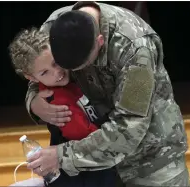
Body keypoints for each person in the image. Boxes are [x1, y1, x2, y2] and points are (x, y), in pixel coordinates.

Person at [26, 2, 190, 187]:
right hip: (95, 167)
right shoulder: (53, 28)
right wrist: (33, 101)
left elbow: (130, 126)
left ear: (100, 41)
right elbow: (35, 71)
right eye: (60, 64)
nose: (61, 74)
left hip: (151, 161)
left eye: (78, 68)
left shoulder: (136, 46)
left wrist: (62, 156)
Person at [8, 27, 118, 187]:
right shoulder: (57, 101)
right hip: (82, 173)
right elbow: (82, 134)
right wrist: (114, 135)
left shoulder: (75, 76)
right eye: (45, 72)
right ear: (31, 77)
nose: (57, 73)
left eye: (56, 62)